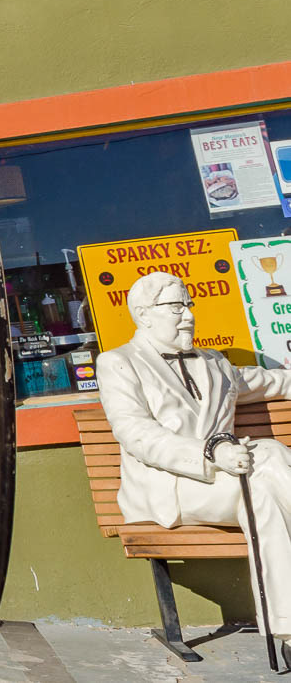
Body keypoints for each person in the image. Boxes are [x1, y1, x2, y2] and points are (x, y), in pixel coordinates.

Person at [98, 271, 291, 647]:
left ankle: (287, 630)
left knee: (264, 491)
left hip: (230, 481)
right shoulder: (118, 363)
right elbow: (136, 433)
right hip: (172, 485)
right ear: (144, 314)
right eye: (176, 307)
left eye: (189, 305)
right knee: (268, 456)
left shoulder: (215, 363)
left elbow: (271, 382)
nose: (189, 315)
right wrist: (210, 451)